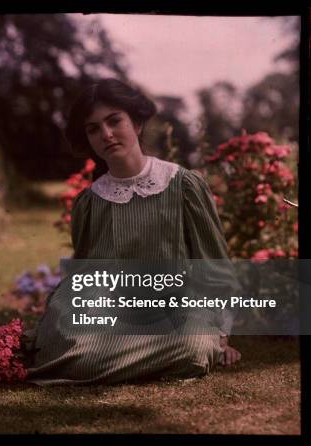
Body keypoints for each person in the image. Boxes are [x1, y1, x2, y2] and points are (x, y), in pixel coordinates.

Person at [27, 78, 241, 385]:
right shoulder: (90, 202)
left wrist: (220, 335)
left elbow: (215, 267)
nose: (106, 134)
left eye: (115, 121)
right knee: (63, 336)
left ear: (137, 123)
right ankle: (114, 360)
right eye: (93, 129)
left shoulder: (183, 185)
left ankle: (89, 365)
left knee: (193, 345)